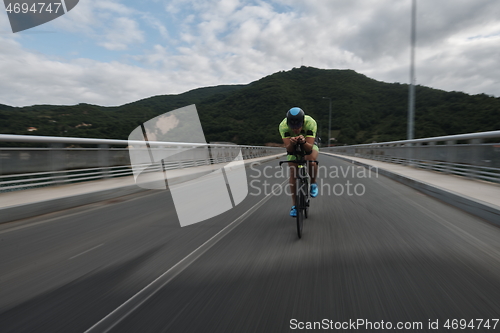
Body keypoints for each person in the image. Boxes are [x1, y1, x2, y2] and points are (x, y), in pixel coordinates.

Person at [279, 107, 319, 217]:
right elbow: (289, 149)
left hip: (309, 143)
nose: (296, 129)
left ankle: (313, 182)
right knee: (293, 172)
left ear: (303, 122)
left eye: (298, 126)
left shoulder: (310, 122)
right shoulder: (283, 126)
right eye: (293, 127)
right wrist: (292, 143)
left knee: (311, 160)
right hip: (293, 145)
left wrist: (303, 141)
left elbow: (309, 149)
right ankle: (295, 205)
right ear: (288, 123)